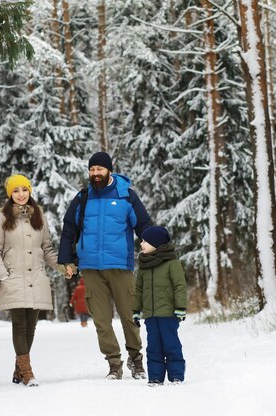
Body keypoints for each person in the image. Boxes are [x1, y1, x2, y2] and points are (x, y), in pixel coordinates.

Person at [58, 151, 152, 380]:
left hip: (120, 265)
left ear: (109, 170)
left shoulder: (126, 196)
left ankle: (136, 358)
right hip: (90, 268)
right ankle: (114, 362)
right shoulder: (83, 198)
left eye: (99, 169)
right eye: (92, 170)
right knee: (101, 320)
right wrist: (66, 260)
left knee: (130, 316)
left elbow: (144, 226)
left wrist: (154, 249)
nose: (95, 174)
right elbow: (69, 229)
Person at [0, 174, 63, 387]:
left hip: (36, 277)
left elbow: (46, 249)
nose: (20, 194)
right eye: (15, 191)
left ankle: (18, 369)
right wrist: (3, 275)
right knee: (19, 323)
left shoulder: (39, 216)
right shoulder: (1, 217)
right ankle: (28, 373)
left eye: (24, 189)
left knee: (31, 326)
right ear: (10, 195)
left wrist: (60, 266)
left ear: (30, 191)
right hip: (13, 277)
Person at [132, 226, 187, 386]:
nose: (141, 244)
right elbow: (139, 290)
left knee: (171, 344)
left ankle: (176, 375)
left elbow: (179, 286)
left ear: (156, 243)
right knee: (153, 347)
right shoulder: (144, 265)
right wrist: (136, 310)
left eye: (144, 241)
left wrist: (180, 308)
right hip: (150, 315)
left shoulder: (172, 263)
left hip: (169, 314)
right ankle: (155, 377)